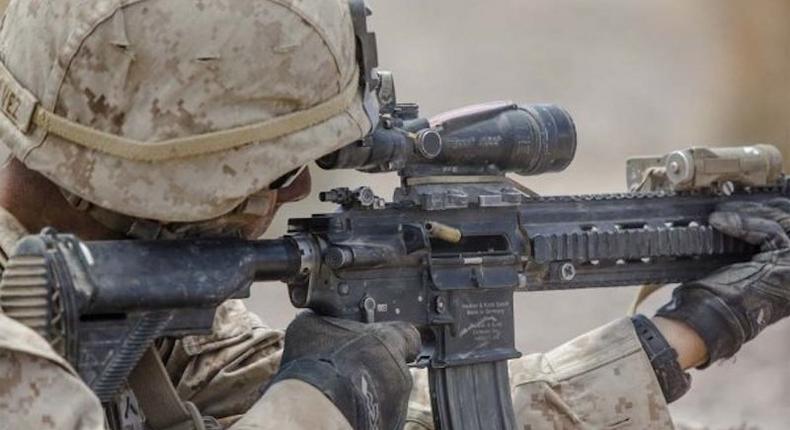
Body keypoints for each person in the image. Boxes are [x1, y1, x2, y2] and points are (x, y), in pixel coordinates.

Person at [0, 1, 788, 430]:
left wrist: (684, 335)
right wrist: (317, 399)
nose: (298, 191)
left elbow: (416, 419)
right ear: (146, 180)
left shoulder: (137, 305)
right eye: (273, 170)